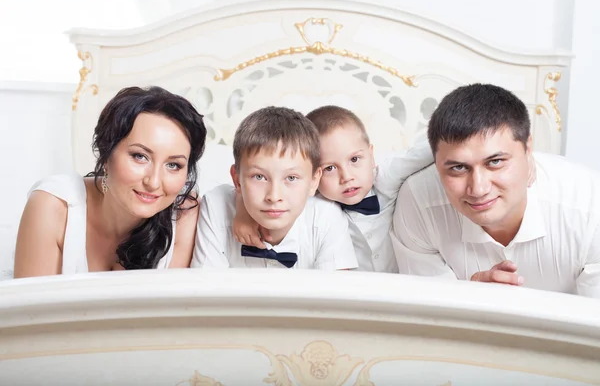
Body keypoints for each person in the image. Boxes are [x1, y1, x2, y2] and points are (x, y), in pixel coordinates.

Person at [391, 83, 600, 298]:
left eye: (496, 162)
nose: (478, 189)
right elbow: (427, 315)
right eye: (458, 167)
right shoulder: (418, 200)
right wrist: (468, 298)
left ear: (528, 150)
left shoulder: (590, 209)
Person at [13, 86, 207, 278]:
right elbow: (32, 309)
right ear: (106, 154)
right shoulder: (54, 207)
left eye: (173, 165)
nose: (154, 182)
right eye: (140, 156)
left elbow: (169, 308)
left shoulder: (185, 214)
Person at [233, 105, 432, 272]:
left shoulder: (387, 178)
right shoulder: (311, 202)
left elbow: (430, 148)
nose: (347, 177)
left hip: (403, 287)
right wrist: (243, 212)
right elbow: (256, 180)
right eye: (330, 168)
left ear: (371, 155)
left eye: (355, 159)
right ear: (314, 175)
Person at [191, 106, 358, 270]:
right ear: (237, 180)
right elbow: (204, 293)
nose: (274, 196)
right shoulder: (215, 206)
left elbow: (336, 296)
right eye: (259, 177)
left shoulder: (327, 218)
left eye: (291, 178)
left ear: (314, 181)